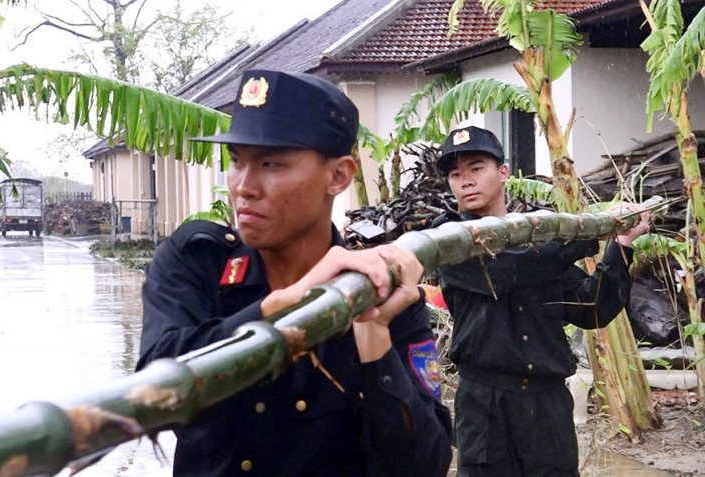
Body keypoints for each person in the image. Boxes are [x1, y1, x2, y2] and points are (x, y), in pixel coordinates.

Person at [137, 69, 453, 476]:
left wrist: (374, 333)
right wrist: (275, 311)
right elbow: (151, 401)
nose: (243, 187)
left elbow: (425, 465)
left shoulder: (379, 293)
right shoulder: (198, 261)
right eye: (236, 162)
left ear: (338, 176)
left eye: (271, 163)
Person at [436, 126, 650, 476]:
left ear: (503, 172)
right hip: (484, 404)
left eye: (476, 168)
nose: (466, 181)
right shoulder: (449, 239)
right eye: (456, 174)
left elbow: (592, 307)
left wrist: (621, 244)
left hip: (545, 403)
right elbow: (506, 272)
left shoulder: (540, 239)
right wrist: (583, 239)